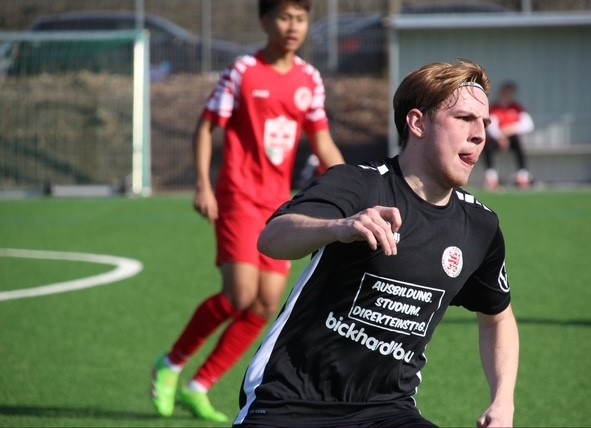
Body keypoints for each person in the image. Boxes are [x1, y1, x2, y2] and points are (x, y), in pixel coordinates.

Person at [234, 60, 519, 428]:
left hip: (387, 410)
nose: (480, 134)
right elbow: (273, 238)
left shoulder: (480, 227)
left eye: (484, 123)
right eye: (465, 119)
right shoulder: (358, 184)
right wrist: (339, 226)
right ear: (417, 123)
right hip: (289, 402)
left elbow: (497, 318)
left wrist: (503, 401)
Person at [150, 0, 344, 423]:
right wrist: (204, 185)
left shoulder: (309, 79)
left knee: (265, 303)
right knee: (239, 294)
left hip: (278, 203)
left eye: (300, 18)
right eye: (284, 17)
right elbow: (206, 127)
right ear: (264, 21)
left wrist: (352, 188)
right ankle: (171, 363)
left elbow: (323, 143)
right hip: (237, 194)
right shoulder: (243, 71)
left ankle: (200, 386)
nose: (292, 26)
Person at [483, 80, 534, 190]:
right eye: (506, 92)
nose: (508, 95)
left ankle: (522, 176)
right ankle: (491, 177)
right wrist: (501, 137)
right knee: (487, 148)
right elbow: (491, 126)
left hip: (512, 139)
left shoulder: (517, 108)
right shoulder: (495, 108)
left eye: (510, 93)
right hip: (497, 140)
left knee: (519, 147)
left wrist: (511, 129)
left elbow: (528, 125)